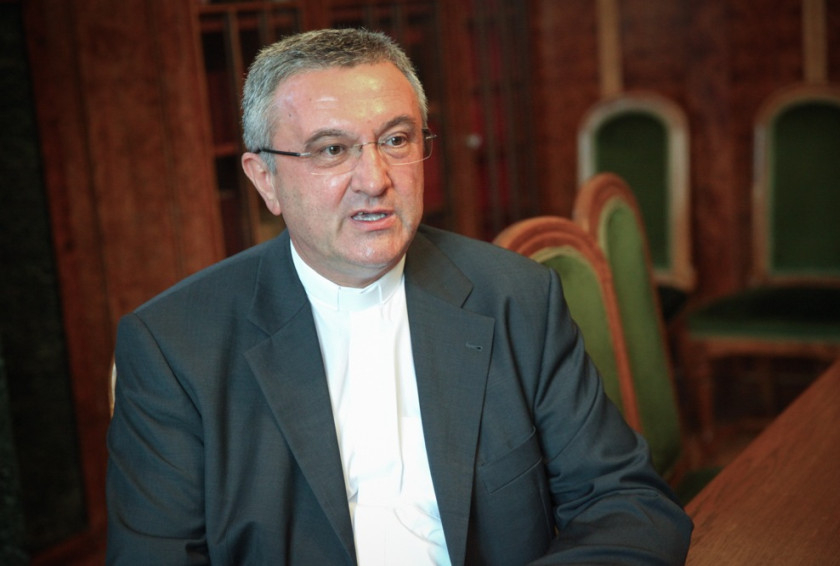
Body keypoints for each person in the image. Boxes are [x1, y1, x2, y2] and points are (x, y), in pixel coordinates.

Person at [106, 28, 692, 565]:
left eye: (395, 139)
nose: (375, 179)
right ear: (266, 180)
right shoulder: (176, 348)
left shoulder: (515, 297)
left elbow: (629, 504)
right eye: (332, 150)